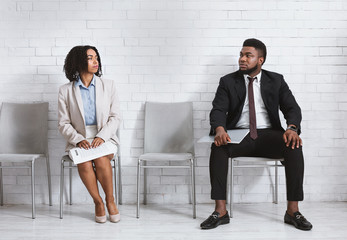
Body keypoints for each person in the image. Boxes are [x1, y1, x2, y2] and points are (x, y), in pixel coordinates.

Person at [200, 38, 312, 231]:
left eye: (248, 55)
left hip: (269, 135)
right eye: (241, 55)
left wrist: (292, 128)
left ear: (260, 60)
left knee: (294, 145)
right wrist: (219, 129)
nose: (242, 59)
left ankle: (293, 211)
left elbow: (292, 108)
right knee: (218, 147)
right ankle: (220, 211)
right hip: (239, 134)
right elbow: (218, 110)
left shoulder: (276, 80)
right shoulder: (227, 81)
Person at [58, 45, 121, 223]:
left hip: (105, 136)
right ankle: (98, 202)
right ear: (78, 62)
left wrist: (102, 136)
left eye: (96, 58)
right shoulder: (65, 90)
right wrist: (78, 140)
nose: (96, 62)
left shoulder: (108, 85)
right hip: (79, 139)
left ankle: (110, 201)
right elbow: (63, 124)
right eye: (90, 58)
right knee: (84, 163)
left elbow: (115, 117)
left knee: (101, 159)